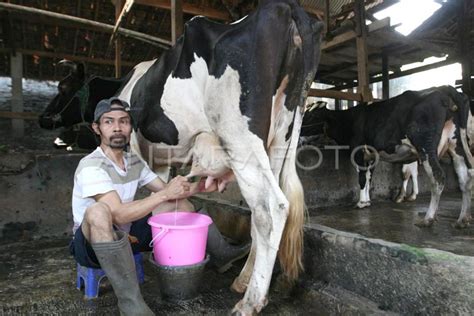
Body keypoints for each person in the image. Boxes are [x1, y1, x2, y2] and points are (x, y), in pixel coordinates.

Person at [69, 97, 250, 315]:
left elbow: (168, 191)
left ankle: (220, 254)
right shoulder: (91, 165)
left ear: (130, 127)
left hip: (129, 235)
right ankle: (130, 303)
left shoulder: (133, 161)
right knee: (98, 212)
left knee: (179, 204)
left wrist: (201, 186)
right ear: (97, 128)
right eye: (109, 122)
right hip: (93, 243)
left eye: (124, 121)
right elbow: (117, 215)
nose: (117, 128)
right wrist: (165, 193)